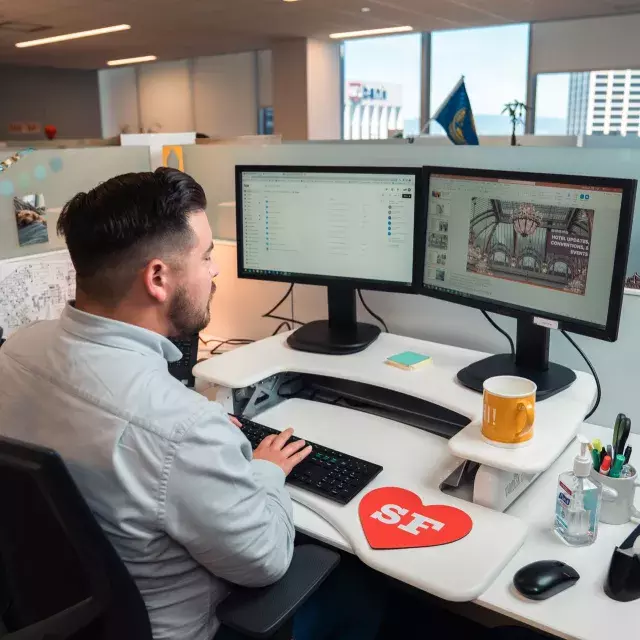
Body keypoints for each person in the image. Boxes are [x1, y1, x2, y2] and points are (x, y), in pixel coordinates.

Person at [0, 168, 385, 640]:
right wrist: (265, 470)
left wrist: (202, 441)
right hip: (194, 630)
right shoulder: (182, 429)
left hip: (64, 618)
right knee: (367, 593)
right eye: (205, 255)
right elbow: (266, 562)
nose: (215, 269)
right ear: (158, 278)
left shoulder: (16, 351)